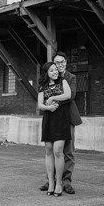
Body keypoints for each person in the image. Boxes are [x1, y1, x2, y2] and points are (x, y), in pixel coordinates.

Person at [39, 51, 82, 194]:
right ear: (53, 64)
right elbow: (41, 98)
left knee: (67, 151)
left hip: (67, 117)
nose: (60, 65)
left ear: (66, 63)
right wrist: (48, 106)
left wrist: (52, 100)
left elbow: (71, 96)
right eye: (57, 63)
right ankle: (50, 179)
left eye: (62, 61)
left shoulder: (71, 77)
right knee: (51, 150)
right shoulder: (48, 79)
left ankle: (66, 182)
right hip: (51, 116)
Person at [38, 61, 73, 197]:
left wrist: (52, 97)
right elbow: (40, 104)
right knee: (48, 150)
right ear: (46, 72)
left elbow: (68, 95)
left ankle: (59, 183)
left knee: (58, 150)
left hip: (61, 118)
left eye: (56, 70)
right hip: (48, 118)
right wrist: (48, 107)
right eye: (51, 70)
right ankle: (50, 183)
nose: (55, 72)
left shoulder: (63, 81)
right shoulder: (43, 85)